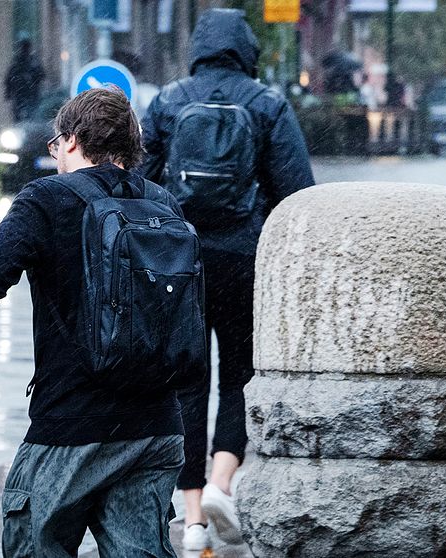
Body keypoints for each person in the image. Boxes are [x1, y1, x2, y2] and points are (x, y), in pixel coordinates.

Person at [0, 87, 186, 557]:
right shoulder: (163, 202)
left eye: (55, 144)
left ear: (71, 141)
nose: (54, 155)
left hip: (74, 419)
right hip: (156, 422)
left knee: (35, 542)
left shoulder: (47, 199)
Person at [137, 8, 315, 551]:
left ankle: (191, 521)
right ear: (246, 50)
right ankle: (221, 482)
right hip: (244, 261)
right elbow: (297, 192)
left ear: (197, 47)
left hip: (181, 267)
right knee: (239, 374)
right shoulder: (266, 104)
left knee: (187, 381)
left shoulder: (168, 101)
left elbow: (137, 184)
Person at [4, 39, 45, 122]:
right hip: (21, 95)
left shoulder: (33, 62)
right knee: (20, 117)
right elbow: (9, 78)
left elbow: (42, 75)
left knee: (31, 116)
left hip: (30, 95)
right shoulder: (18, 62)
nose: (25, 50)